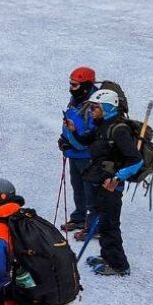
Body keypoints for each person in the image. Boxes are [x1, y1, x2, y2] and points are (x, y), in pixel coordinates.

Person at [70, 88, 141, 276]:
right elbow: (87, 141)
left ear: (107, 108)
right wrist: (74, 132)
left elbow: (136, 160)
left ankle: (119, 265)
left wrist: (117, 178)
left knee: (110, 224)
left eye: (94, 107)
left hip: (112, 186)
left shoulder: (119, 130)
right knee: (103, 222)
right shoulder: (102, 125)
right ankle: (107, 256)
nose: (91, 111)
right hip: (100, 181)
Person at [59, 67, 98, 233]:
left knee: (91, 191)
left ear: (86, 85)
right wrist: (63, 138)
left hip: (87, 156)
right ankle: (79, 218)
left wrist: (71, 143)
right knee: (78, 188)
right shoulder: (76, 99)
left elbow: (90, 136)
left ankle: (93, 225)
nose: (71, 88)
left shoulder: (94, 106)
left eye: (74, 85)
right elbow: (68, 121)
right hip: (74, 153)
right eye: (70, 84)